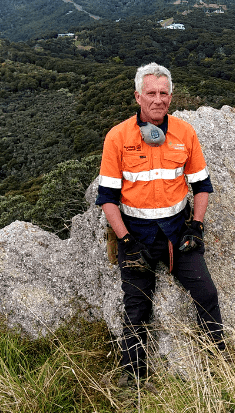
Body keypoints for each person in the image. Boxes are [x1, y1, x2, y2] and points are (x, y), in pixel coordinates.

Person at [95, 62, 225, 384]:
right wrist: (125, 241)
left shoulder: (184, 133)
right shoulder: (118, 137)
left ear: (171, 97)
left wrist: (196, 226)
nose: (158, 99)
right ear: (138, 96)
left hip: (176, 232)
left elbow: (202, 186)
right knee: (137, 306)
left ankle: (218, 360)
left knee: (206, 293)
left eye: (163, 93)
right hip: (135, 235)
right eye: (151, 93)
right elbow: (108, 198)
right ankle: (134, 377)